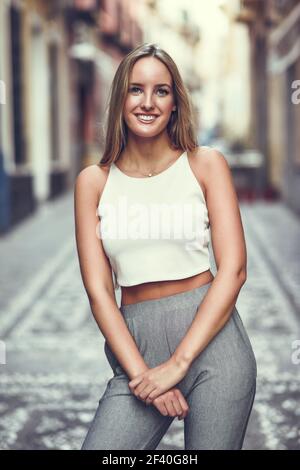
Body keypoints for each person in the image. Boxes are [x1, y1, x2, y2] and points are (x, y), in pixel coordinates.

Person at [74, 43, 257, 450]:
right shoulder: (94, 182)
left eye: (162, 91)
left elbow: (234, 271)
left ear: (175, 102)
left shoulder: (205, 164)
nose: (148, 102)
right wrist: (144, 378)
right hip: (135, 351)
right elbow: (100, 291)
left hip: (215, 349)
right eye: (136, 89)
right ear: (120, 96)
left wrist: (178, 364)